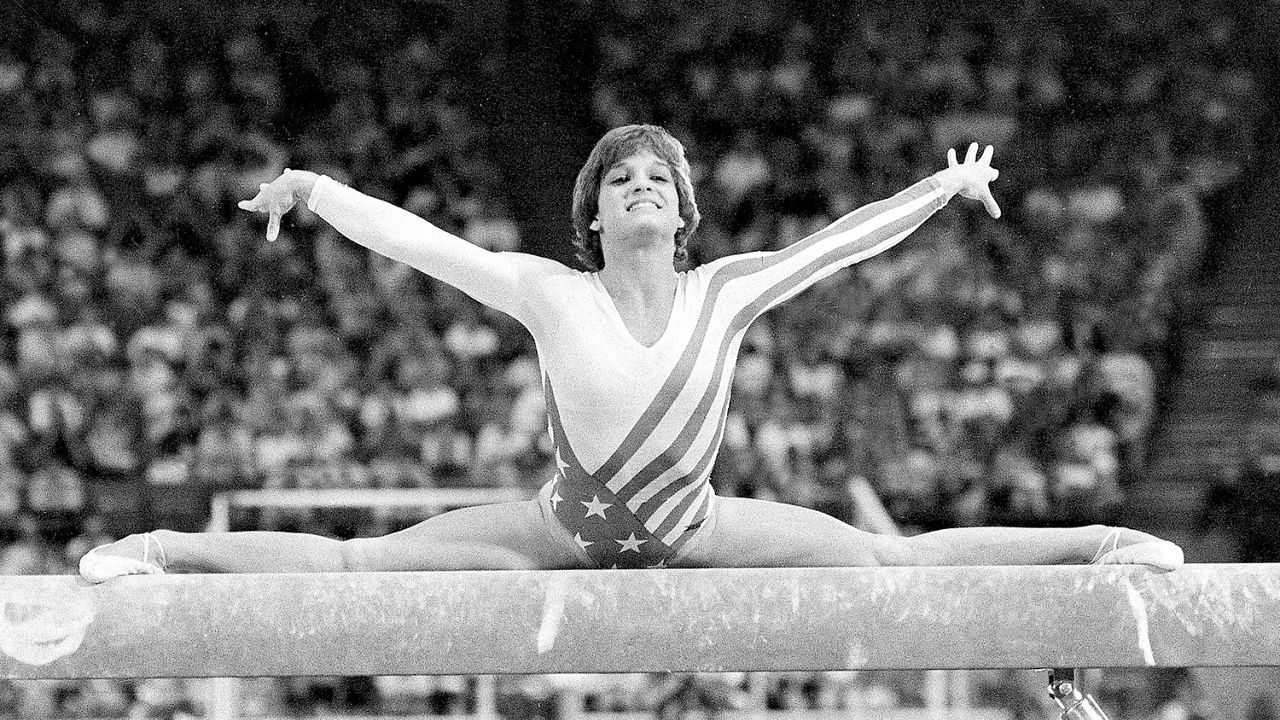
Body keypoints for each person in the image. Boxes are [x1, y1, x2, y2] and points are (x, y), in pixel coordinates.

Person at [80, 125, 1183, 579]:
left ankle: (1101, 542)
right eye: (619, 179)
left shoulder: (727, 291)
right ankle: (159, 550)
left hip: (698, 527)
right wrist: (316, 190)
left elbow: (838, 244)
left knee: (888, 560)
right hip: (560, 525)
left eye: (657, 176)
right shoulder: (547, 293)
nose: (639, 185)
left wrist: (941, 189)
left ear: (685, 211)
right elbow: (423, 245)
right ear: (596, 218)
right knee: (361, 565)